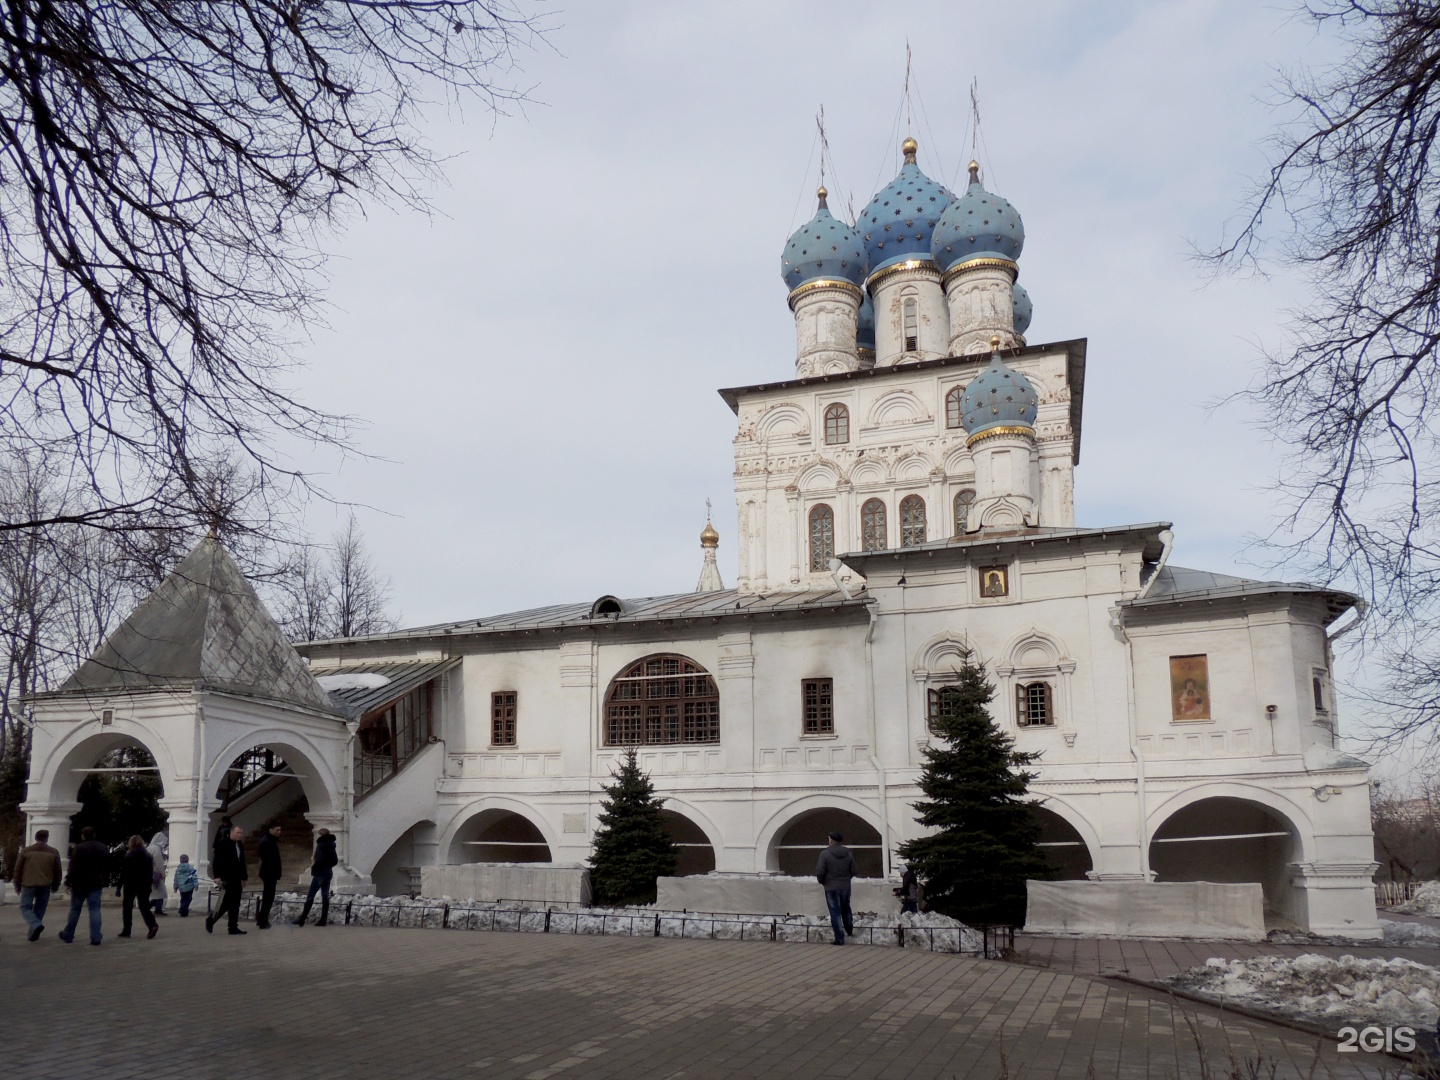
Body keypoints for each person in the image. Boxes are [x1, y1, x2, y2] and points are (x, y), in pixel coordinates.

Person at [58, 826, 111, 945]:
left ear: (83, 835)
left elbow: (73, 866)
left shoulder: (79, 848)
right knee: (95, 910)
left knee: (75, 910)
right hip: (96, 882)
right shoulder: (103, 848)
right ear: (95, 835)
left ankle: (68, 934)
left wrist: (68, 882)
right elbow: (107, 866)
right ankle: (96, 936)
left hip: (79, 883)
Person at [11, 829, 63, 942]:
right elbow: (58, 871)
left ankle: (35, 925)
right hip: (45, 885)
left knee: (25, 907)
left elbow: (18, 869)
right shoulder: (54, 852)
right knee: (39, 909)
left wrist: (17, 884)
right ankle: (33, 932)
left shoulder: (26, 851)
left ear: (35, 838)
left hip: (28, 884)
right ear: (46, 838)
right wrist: (56, 885)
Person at [815, 831, 858, 946]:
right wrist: (846, 878)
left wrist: (823, 881)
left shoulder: (824, 854)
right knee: (846, 908)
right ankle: (849, 931)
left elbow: (820, 871)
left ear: (831, 840)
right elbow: (854, 870)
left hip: (831, 887)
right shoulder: (848, 853)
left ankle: (839, 938)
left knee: (835, 912)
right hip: (845, 886)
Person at [207, 825, 248, 935]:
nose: (240, 835)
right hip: (226, 877)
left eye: (241, 833)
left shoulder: (239, 844)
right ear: (231, 833)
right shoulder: (223, 844)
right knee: (226, 903)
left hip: (237, 877)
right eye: (238, 833)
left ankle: (233, 927)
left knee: (235, 903)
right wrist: (217, 876)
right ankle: (212, 920)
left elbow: (242, 862)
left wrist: (244, 877)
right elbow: (217, 861)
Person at [294, 828, 338, 927]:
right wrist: (328, 866)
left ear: (322, 835)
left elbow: (319, 859)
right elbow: (335, 860)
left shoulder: (321, 845)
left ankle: (302, 919)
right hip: (328, 872)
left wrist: (315, 867)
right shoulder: (332, 845)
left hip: (320, 873)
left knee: (311, 895)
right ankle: (323, 919)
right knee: (325, 895)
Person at [119, 834, 159, 940]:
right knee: (144, 907)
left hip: (130, 884)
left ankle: (127, 930)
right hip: (144, 884)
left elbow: (123, 873)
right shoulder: (147, 856)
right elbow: (150, 871)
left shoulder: (128, 856)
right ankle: (152, 925)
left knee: (127, 907)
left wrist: (119, 887)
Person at [256, 823, 282, 929]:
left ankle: (262, 918)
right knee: (268, 897)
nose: (279, 832)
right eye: (277, 830)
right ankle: (263, 920)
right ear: (271, 830)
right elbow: (268, 859)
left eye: (280, 830)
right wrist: (274, 871)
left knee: (268, 896)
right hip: (269, 873)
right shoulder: (267, 841)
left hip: (271, 872)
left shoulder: (270, 840)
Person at [146, 830, 169, 916]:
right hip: (156, 874)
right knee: (160, 893)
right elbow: (159, 862)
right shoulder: (156, 849)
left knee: (156, 894)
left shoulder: (149, 847)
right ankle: (157, 909)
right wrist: (163, 874)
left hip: (149, 874)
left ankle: (151, 908)